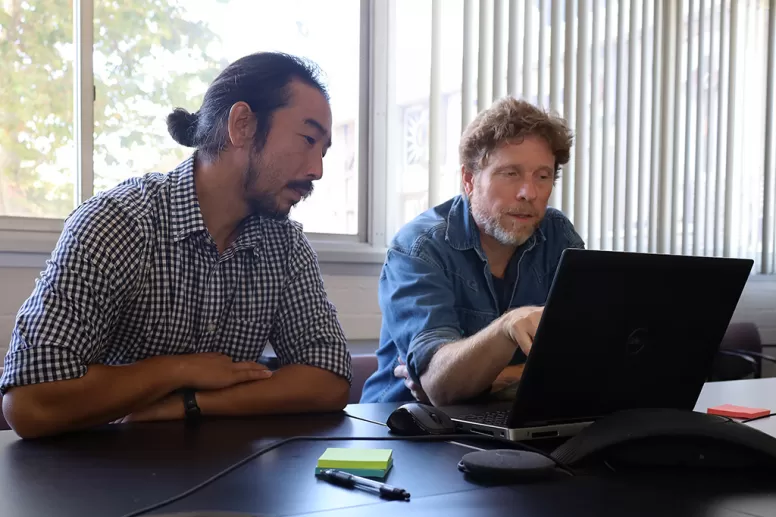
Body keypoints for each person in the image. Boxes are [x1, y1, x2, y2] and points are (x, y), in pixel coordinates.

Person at [1, 52, 352, 439]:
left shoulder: (284, 245)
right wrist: (178, 370)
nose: (317, 169)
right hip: (102, 481)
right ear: (242, 125)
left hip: (228, 485)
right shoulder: (119, 223)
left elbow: (329, 378)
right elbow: (30, 402)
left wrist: (191, 404)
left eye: (323, 150)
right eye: (307, 139)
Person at [360, 97, 584, 406]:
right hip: (404, 429)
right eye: (510, 174)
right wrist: (507, 327)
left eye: (542, 176)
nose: (529, 193)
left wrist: (484, 381)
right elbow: (441, 387)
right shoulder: (421, 247)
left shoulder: (557, 236)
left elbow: (587, 364)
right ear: (469, 179)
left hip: (513, 421)